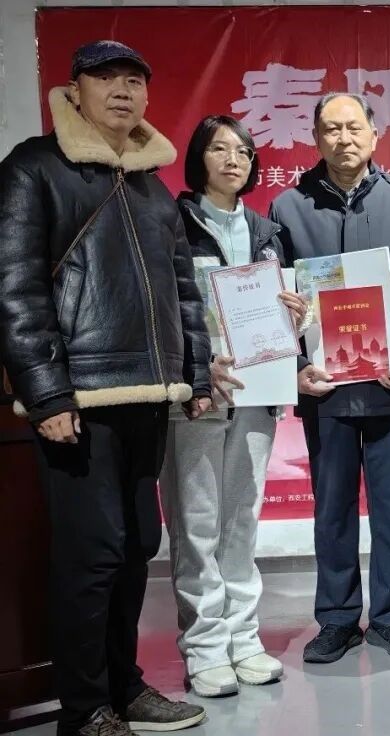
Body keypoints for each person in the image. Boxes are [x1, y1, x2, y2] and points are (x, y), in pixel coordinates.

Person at [0, 41, 209, 735]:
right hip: (80, 400)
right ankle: (84, 706)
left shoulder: (151, 186)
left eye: (134, 81)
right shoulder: (35, 167)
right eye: (105, 79)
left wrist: (195, 375)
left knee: (138, 545)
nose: (122, 91)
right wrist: (46, 393)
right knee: (92, 554)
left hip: (150, 396)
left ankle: (125, 686)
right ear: (74, 90)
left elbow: (184, 292)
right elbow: (15, 289)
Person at [269, 92, 390, 664]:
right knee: (332, 508)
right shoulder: (287, 208)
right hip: (326, 389)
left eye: (353, 127)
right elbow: (273, 302)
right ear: (316, 138)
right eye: (331, 129)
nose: (343, 138)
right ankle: (337, 619)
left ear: (373, 133)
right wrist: (295, 368)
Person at [159, 115, 308, 697]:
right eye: (219, 149)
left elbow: (280, 313)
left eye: (243, 151)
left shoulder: (267, 232)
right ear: (199, 158)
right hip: (198, 394)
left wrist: (298, 317)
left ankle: (244, 639)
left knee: (241, 522)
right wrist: (192, 370)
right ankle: (204, 646)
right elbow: (162, 309)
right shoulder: (171, 224)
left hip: (256, 393)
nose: (232, 159)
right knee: (196, 524)